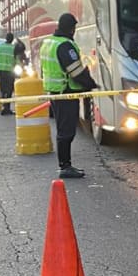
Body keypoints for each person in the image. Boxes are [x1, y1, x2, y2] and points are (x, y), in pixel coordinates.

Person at [40, 13, 97, 178]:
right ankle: (65, 166)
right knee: (66, 132)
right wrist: (91, 84)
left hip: (55, 91)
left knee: (62, 129)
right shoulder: (65, 46)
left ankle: (65, 165)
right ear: (72, 29)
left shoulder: (49, 42)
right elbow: (76, 72)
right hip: (66, 92)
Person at [0, 32, 17, 115]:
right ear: (12, 39)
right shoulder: (13, 48)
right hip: (10, 72)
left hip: (1, 71)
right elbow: (17, 59)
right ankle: (6, 107)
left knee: (3, 88)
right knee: (10, 89)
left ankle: (4, 106)